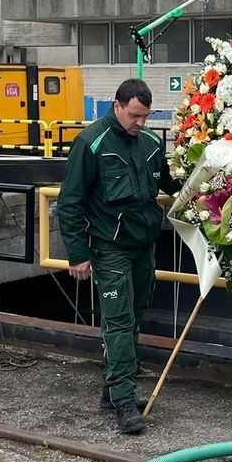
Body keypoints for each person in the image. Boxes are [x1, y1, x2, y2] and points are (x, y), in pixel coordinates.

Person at [57, 79, 172, 435]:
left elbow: (168, 183)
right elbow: (70, 202)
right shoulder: (91, 143)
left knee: (135, 314)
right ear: (117, 106)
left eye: (145, 117)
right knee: (118, 320)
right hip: (110, 246)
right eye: (135, 116)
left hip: (143, 244)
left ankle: (112, 388)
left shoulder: (151, 143)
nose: (140, 123)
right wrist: (78, 255)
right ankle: (123, 397)